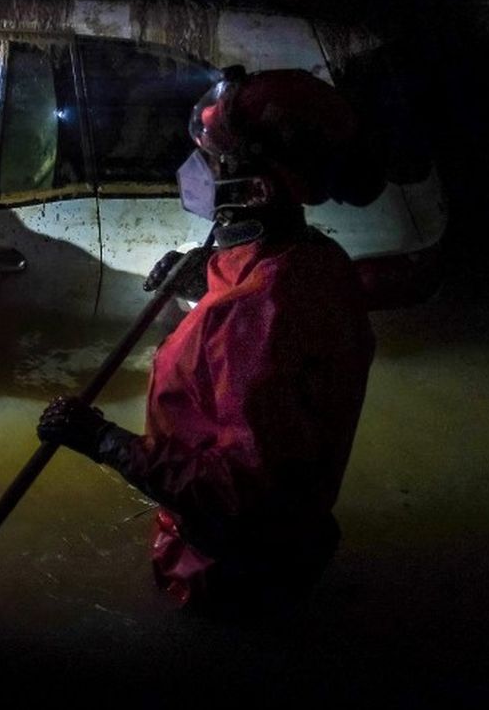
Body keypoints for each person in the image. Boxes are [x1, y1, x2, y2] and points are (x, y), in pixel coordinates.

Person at [37, 66, 382, 615]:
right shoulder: (320, 261)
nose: (200, 169)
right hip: (293, 545)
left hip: (228, 574)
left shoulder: (258, 312)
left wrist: (104, 441)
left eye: (215, 160)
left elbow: (235, 494)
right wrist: (208, 274)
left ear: (257, 186)